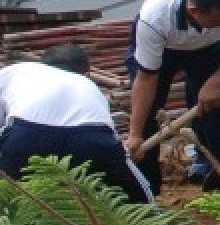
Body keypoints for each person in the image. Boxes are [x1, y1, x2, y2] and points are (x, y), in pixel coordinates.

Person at [125, 0, 220, 193]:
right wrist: (135, 134)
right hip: (165, 48)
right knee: (147, 115)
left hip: (211, 49)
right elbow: (146, 78)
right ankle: (147, 190)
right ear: (194, 11)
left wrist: (215, 81)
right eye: (218, 20)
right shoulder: (155, 19)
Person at [0, 45, 153, 203]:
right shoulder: (89, 87)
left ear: (42, 63)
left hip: (25, 136)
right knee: (138, 196)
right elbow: (109, 135)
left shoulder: (17, 71)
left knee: (8, 193)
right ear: (86, 73)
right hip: (92, 138)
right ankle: (154, 221)